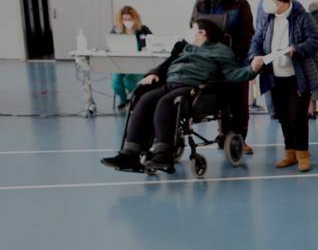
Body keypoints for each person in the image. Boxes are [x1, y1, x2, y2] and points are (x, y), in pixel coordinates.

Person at [100, 19, 263, 174]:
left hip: (194, 88)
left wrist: (252, 69)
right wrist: (154, 73)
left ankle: (164, 154)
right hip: (170, 83)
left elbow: (232, 74)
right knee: (143, 100)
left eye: (192, 29)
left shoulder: (220, 51)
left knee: (166, 103)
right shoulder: (184, 47)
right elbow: (168, 63)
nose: (189, 32)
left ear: (202, 32)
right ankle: (130, 154)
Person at [249, 0, 318, 173]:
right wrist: (255, 55)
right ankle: (289, 152)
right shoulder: (267, 17)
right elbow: (256, 39)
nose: (266, 1)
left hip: (297, 76)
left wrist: (295, 49)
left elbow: (315, 41)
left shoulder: (303, 17)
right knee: (282, 116)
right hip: (274, 75)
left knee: (298, 116)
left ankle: (302, 154)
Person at [191, 0, 256, 154]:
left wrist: (234, 56)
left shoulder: (240, 4)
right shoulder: (201, 3)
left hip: (235, 58)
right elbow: (195, 28)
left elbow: (247, 34)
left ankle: (239, 138)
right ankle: (223, 133)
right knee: (216, 99)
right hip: (208, 59)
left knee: (238, 102)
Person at [110, 6, 153, 110]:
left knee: (129, 80)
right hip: (120, 63)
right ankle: (124, 100)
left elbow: (153, 42)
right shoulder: (116, 31)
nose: (127, 21)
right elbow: (111, 45)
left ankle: (135, 99)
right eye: (124, 19)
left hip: (139, 64)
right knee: (115, 81)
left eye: (129, 19)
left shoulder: (143, 29)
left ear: (135, 19)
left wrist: (147, 48)